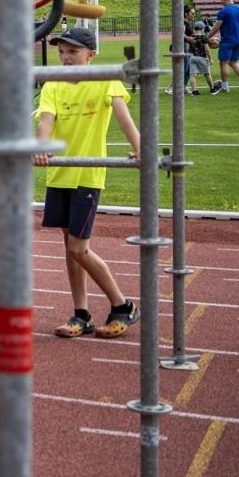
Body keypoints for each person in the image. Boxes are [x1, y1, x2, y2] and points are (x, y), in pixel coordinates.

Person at [35, 27, 143, 339]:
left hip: (87, 175)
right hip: (61, 175)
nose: (65, 58)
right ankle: (81, 314)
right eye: (62, 52)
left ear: (90, 55)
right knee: (70, 248)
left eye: (72, 52)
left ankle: (123, 305)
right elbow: (46, 123)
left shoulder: (104, 79)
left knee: (78, 248)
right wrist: (42, 149)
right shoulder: (53, 84)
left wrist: (140, 148)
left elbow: (123, 117)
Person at [209, 0, 239, 94]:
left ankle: (225, 87)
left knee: (223, 63)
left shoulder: (224, 11)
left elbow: (216, 27)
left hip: (228, 40)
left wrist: (207, 37)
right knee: (233, 61)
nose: (220, 1)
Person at [186, 20, 216, 96]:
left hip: (192, 57)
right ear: (202, 28)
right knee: (207, 74)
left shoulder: (191, 37)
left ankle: (194, 91)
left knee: (193, 75)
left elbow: (188, 48)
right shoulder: (204, 37)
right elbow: (207, 48)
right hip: (202, 57)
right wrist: (210, 58)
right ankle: (212, 89)